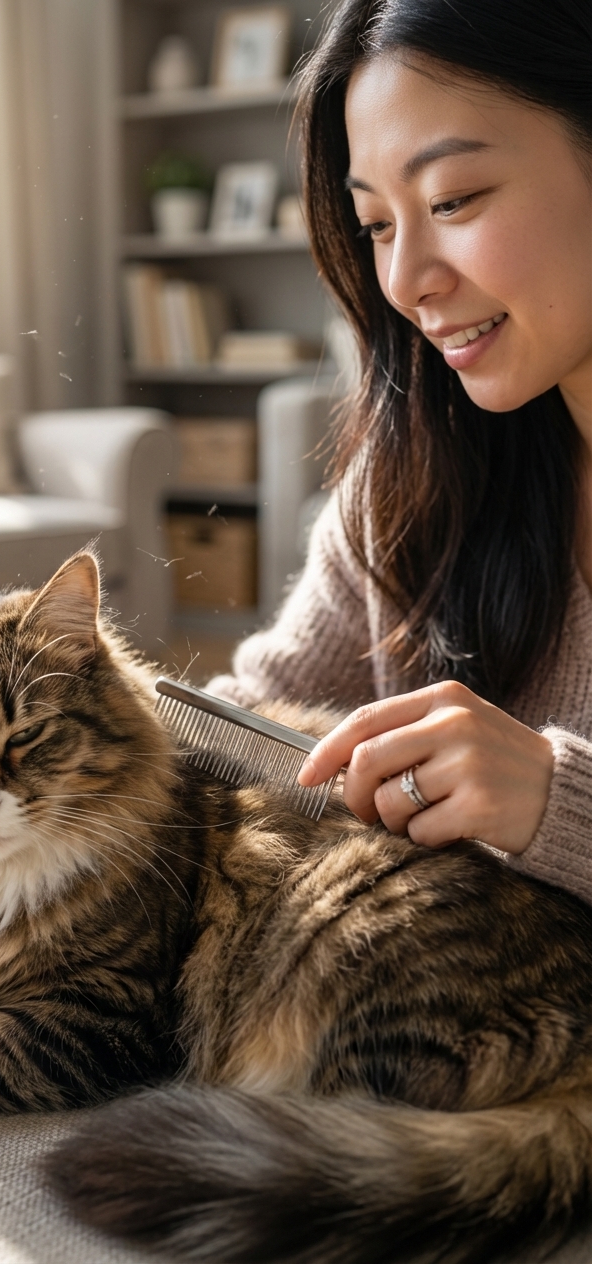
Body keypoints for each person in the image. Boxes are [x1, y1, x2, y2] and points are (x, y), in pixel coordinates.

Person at [211, 0, 592, 901]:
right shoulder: (417, 476)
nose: (406, 282)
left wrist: (551, 796)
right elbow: (255, 720)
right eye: (377, 224)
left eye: (452, 200)